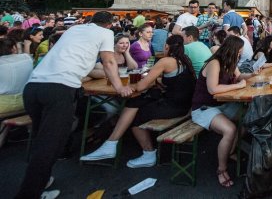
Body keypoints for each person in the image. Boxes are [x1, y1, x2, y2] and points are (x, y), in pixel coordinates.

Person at [15, 11, 133, 199]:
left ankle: (40, 181)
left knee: (39, 139)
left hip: (33, 87)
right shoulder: (106, 33)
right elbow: (109, 61)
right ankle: (29, 194)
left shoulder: (74, 30)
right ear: (110, 25)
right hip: (59, 89)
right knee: (50, 145)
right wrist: (119, 87)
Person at [80, 35, 196, 167]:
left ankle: (147, 154)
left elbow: (141, 86)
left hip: (174, 107)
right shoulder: (184, 60)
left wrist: (128, 87)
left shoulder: (166, 61)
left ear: (166, 47)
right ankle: (111, 143)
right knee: (136, 101)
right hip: (182, 104)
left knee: (136, 118)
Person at [190, 37, 251, 189]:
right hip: (203, 108)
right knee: (230, 129)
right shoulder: (214, 63)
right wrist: (238, 86)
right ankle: (221, 169)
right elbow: (213, 89)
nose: (239, 55)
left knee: (249, 119)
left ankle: (229, 150)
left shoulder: (230, 62)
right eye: (239, 52)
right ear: (231, 50)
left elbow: (239, 77)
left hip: (221, 105)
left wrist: (253, 74)